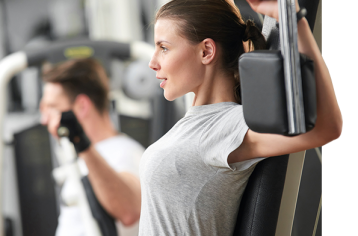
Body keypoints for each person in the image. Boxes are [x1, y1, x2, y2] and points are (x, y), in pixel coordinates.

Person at [139, 0, 342, 235]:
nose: (152, 63)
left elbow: (326, 127)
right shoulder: (197, 123)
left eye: (163, 47)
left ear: (206, 51)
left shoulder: (229, 125)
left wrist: (292, 18)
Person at [40, 58, 144, 236]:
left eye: (52, 108)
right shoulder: (87, 155)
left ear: (81, 106)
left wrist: (81, 142)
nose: (44, 120)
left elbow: (130, 212)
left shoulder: (125, 153)